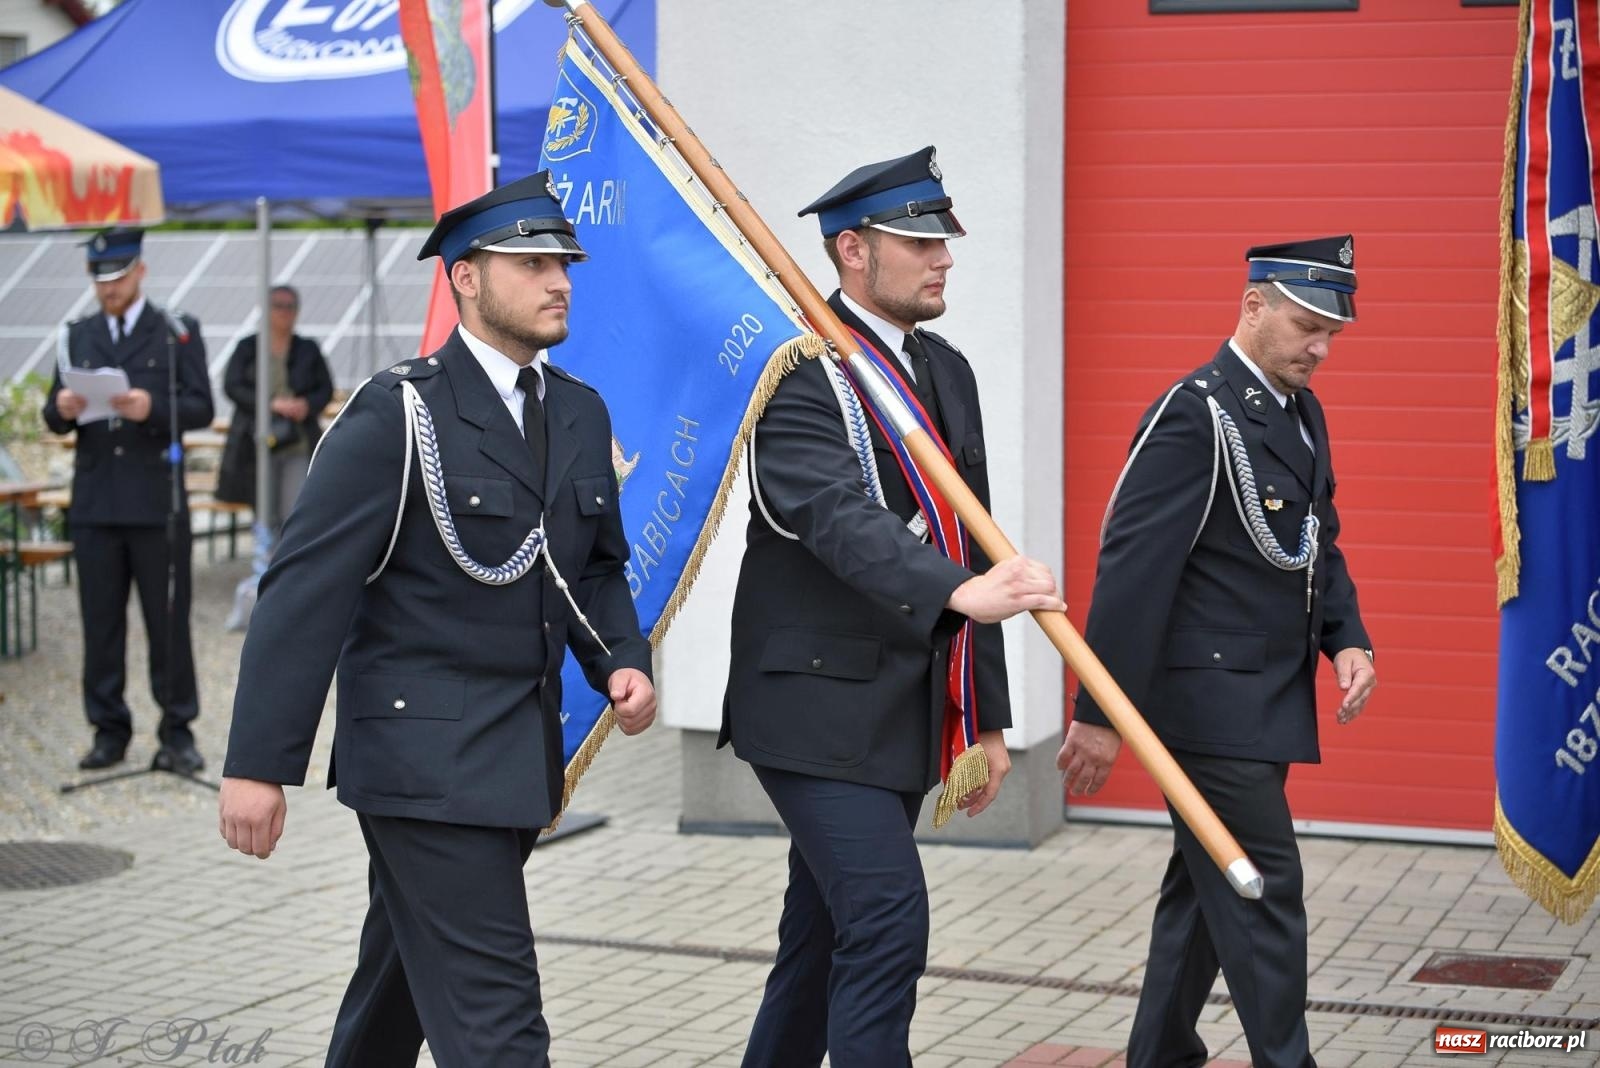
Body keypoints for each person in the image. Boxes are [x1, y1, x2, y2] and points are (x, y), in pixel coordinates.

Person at [216, 172, 656, 1068]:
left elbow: (593, 565)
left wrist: (621, 655)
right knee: (499, 1025)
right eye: (532, 265)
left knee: (396, 993)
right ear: (465, 277)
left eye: (564, 265)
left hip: (515, 759)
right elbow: (302, 591)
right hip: (420, 763)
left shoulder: (578, 409)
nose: (559, 282)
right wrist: (258, 765)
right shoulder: (399, 411)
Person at [719, 146, 1064, 1067]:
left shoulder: (947, 370)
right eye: (919, 242)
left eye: (943, 239)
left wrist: (986, 721)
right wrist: (958, 591)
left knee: (819, 943)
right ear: (853, 250)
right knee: (886, 920)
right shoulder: (797, 367)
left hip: (900, 710)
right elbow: (831, 514)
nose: (943, 257)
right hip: (812, 706)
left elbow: (974, 543)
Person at [1058, 236, 1379, 1068]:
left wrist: (1346, 637)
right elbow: (1133, 575)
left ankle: (1159, 1054)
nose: (1320, 347)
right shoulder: (1194, 413)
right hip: (1207, 711)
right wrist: (1100, 714)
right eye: (1307, 326)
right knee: (1265, 891)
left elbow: (1316, 542)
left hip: (1264, 702)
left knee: (1200, 895)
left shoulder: (1300, 412)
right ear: (1253, 306)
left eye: (1332, 333)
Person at [42, 227, 213, 774]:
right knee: (100, 625)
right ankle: (108, 730)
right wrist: (62, 409)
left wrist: (150, 408)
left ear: (139, 271)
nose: (107, 289)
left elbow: (202, 406)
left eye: (116, 278)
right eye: (99, 280)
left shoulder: (175, 331)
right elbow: (52, 413)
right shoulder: (78, 334)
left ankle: (177, 731)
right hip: (95, 504)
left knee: (168, 623)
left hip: (156, 504)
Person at [214, 284, 334, 532]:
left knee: (294, 510)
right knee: (263, 510)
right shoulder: (248, 348)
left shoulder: (308, 349)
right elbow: (232, 385)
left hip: (297, 441)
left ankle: (288, 555)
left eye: (290, 306)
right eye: (278, 306)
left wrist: (306, 405)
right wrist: (270, 403)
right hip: (257, 442)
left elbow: (325, 389)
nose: (284, 312)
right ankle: (266, 555)